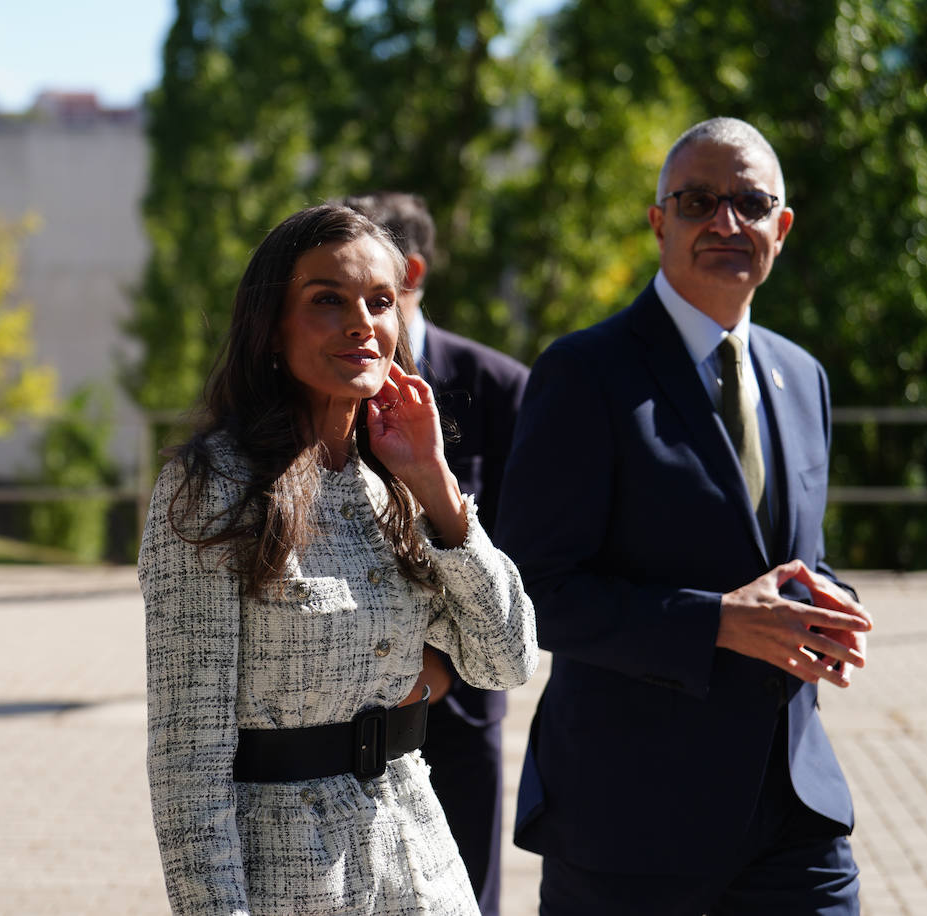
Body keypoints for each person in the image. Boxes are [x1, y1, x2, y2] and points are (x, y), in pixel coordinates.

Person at [496, 116, 872, 914]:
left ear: (783, 227)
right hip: (630, 819)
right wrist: (718, 624)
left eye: (750, 202)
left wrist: (828, 604)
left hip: (795, 809)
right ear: (659, 222)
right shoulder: (584, 373)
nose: (726, 222)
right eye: (699, 201)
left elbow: (796, 556)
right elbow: (536, 593)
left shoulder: (802, 377)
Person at [139, 203, 538, 915]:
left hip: (422, 863)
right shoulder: (213, 490)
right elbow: (187, 766)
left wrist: (439, 489)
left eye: (380, 302)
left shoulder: (397, 481)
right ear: (272, 326)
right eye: (328, 300)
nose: (363, 323)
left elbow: (505, 661)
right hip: (289, 880)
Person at [344, 191, 528, 916]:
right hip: (338, 708)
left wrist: (442, 666)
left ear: (411, 271)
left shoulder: (500, 387)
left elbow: (525, 545)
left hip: (459, 706)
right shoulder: (317, 379)